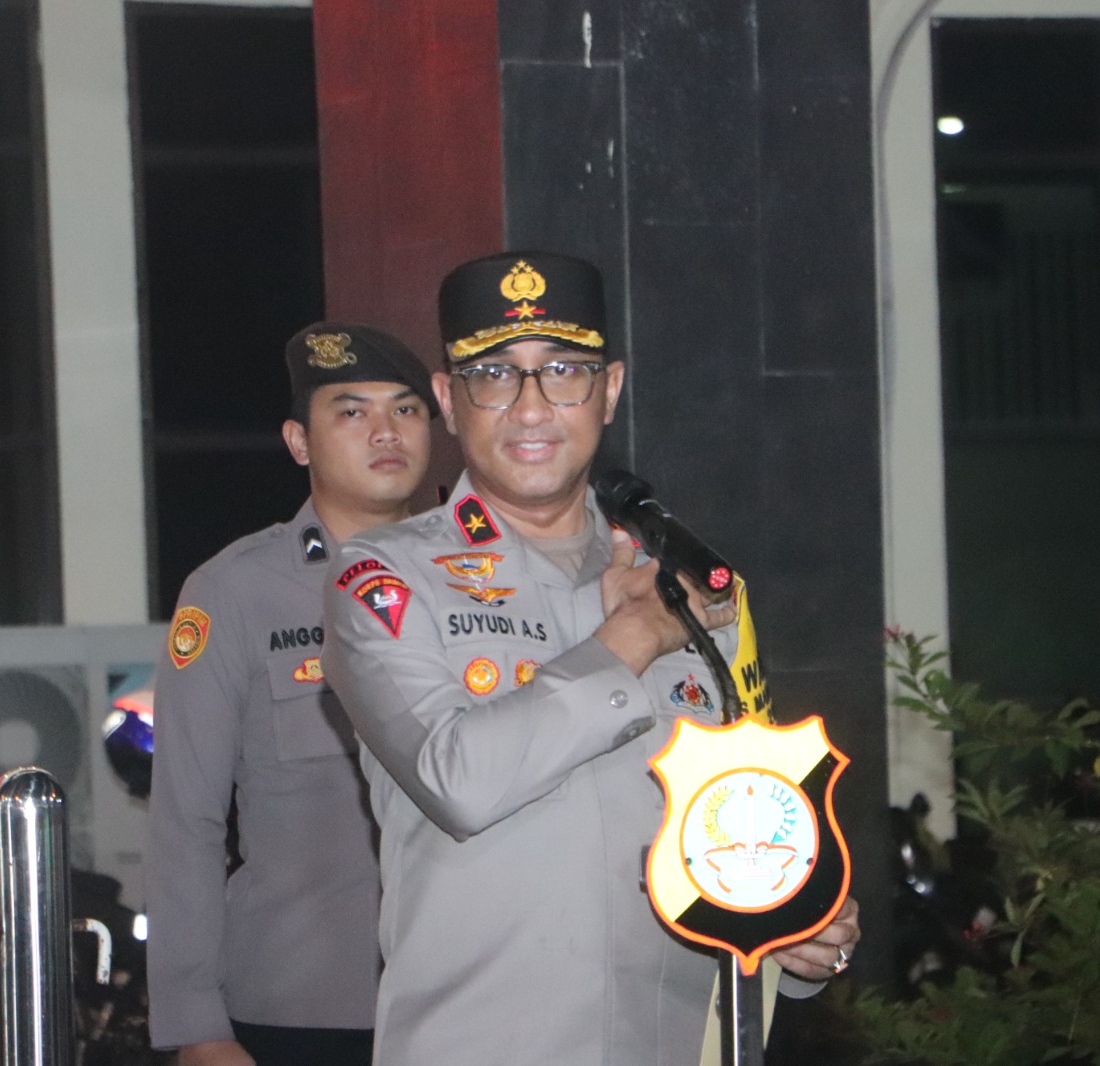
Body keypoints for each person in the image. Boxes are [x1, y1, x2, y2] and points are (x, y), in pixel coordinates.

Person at [321, 251, 861, 1065]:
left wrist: (804, 929)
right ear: (448, 401)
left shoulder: (693, 588)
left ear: (608, 391)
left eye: (563, 371)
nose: (531, 407)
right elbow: (456, 778)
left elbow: (749, 817)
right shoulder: (383, 579)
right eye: (493, 375)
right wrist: (629, 641)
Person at [147, 322, 438, 1066]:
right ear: (299, 442)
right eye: (352, 411)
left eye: (406, 409)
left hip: (463, 1000)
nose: (385, 432)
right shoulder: (234, 592)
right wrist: (195, 1022)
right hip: (304, 1004)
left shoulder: (482, 584)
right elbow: (186, 819)